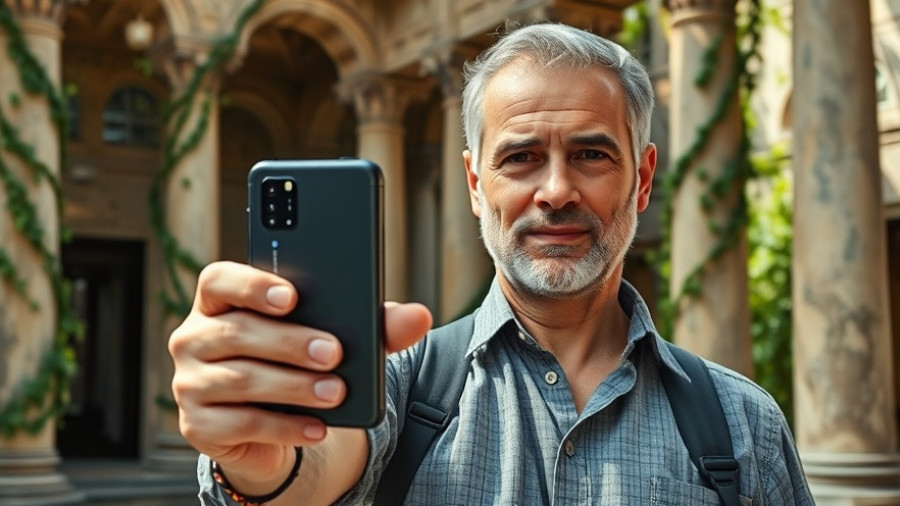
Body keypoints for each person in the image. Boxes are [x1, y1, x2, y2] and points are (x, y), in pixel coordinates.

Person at [169, 23, 814, 505]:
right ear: (475, 184)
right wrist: (258, 460)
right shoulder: (399, 385)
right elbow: (313, 469)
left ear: (642, 181)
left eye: (591, 155)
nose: (556, 190)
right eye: (521, 157)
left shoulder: (741, 424)